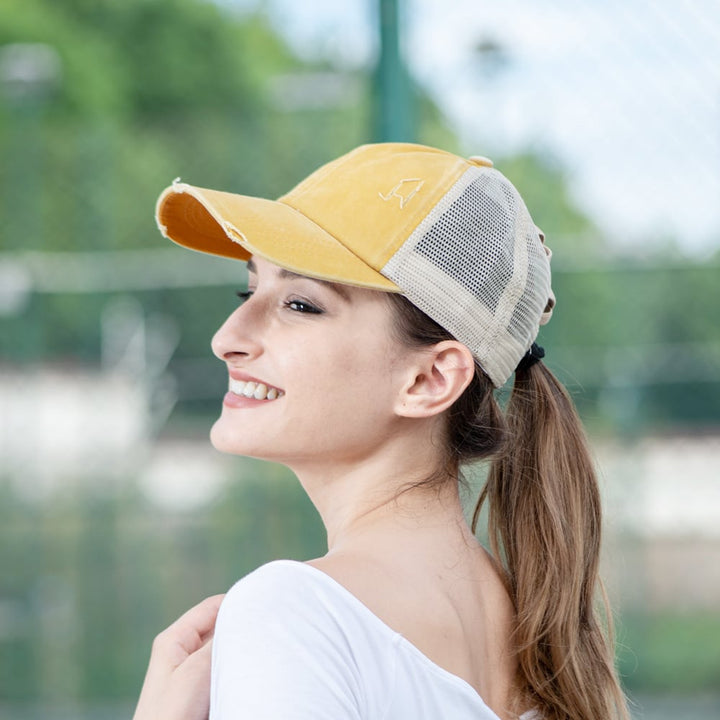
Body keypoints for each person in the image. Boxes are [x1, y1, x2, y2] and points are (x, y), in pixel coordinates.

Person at [134, 143, 630, 720]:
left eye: (300, 304)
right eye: (249, 291)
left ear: (429, 379)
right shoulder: (540, 642)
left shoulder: (294, 615)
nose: (228, 337)